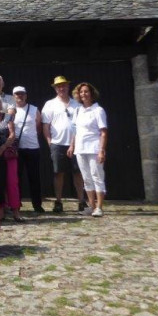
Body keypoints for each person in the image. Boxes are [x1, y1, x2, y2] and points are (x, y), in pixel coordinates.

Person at [41, 76, 85, 213]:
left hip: (76, 144)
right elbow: (45, 126)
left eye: (64, 85)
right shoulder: (49, 104)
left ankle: (82, 201)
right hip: (57, 143)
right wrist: (50, 143)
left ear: (68, 87)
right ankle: (58, 201)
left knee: (78, 173)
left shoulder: (77, 105)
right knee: (58, 173)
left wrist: (75, 143)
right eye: (59, 86)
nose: (62, 88)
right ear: (55, 88)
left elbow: (80, 126)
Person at [68, 82, 108, 217]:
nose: (83, 94)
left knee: (97, 176)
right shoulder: (78, 110)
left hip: (94, 148)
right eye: (81, 92)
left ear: (91, 93)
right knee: (86, 178)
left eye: (86, 91)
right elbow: (75, 130)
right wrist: (72, 145)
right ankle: (91, 206)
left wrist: (101, 150)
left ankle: (99, 207)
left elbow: (103, 132)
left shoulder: (98, 110)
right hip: (80, 148)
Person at [0, 95, 23, 222]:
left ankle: (16, 211)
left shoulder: (7, 117)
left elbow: (12, 134)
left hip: (7, 153)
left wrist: (2, 148)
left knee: (12, 182)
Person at [12, 86, 44, 213]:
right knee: (16, 178)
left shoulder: (34, 109)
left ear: (26, 95)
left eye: (22, 94)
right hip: (17, 149)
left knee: (34, 177)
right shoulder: (11, 110)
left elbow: (39, 126)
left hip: (32, 147)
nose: (19, 96)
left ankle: (37, 205)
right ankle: (16, 204)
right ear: (13, 96)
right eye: (17, 94)